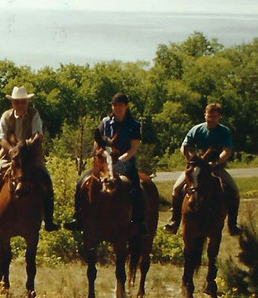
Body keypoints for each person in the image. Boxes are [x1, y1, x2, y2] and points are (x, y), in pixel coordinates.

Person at [0, 86, 59, 231]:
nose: (20, 105)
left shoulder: (34, 114)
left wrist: (29, 144)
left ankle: (49, 219)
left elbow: (38, 134)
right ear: (13, 103)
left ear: (27, 102)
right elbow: (1, 138)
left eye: (23, 102)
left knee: (47, 178)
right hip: (10, 154)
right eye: (17, 102)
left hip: (30, 155)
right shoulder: (6, 116)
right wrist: (13, 150)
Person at [64, 91, 146, 234]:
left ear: (126, 107)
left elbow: (133, 149)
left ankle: (139, 220)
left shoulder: (134, 125)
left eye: (120, 105)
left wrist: (117, 161)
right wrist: (100, 156)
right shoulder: (105, 122)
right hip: (104, 160)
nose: (117, 108)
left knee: (136, 186)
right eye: (114, 105)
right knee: (82, 182)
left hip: (124, 162)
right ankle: (79, 217)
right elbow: (98, 142)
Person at [163, 102, 240, 236]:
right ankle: (175, 220)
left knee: (234, 191)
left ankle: (232, 224)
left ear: (219, 117)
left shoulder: (224, 131)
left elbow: (226, 151)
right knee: (176, 188)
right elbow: (184, 146)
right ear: (205, 115)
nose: (210, 119)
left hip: (215, 167)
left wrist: (216, 162)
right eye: (208, 116)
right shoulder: (196, 129)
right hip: (197, 166)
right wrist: (189, 159)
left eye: (214, 117)